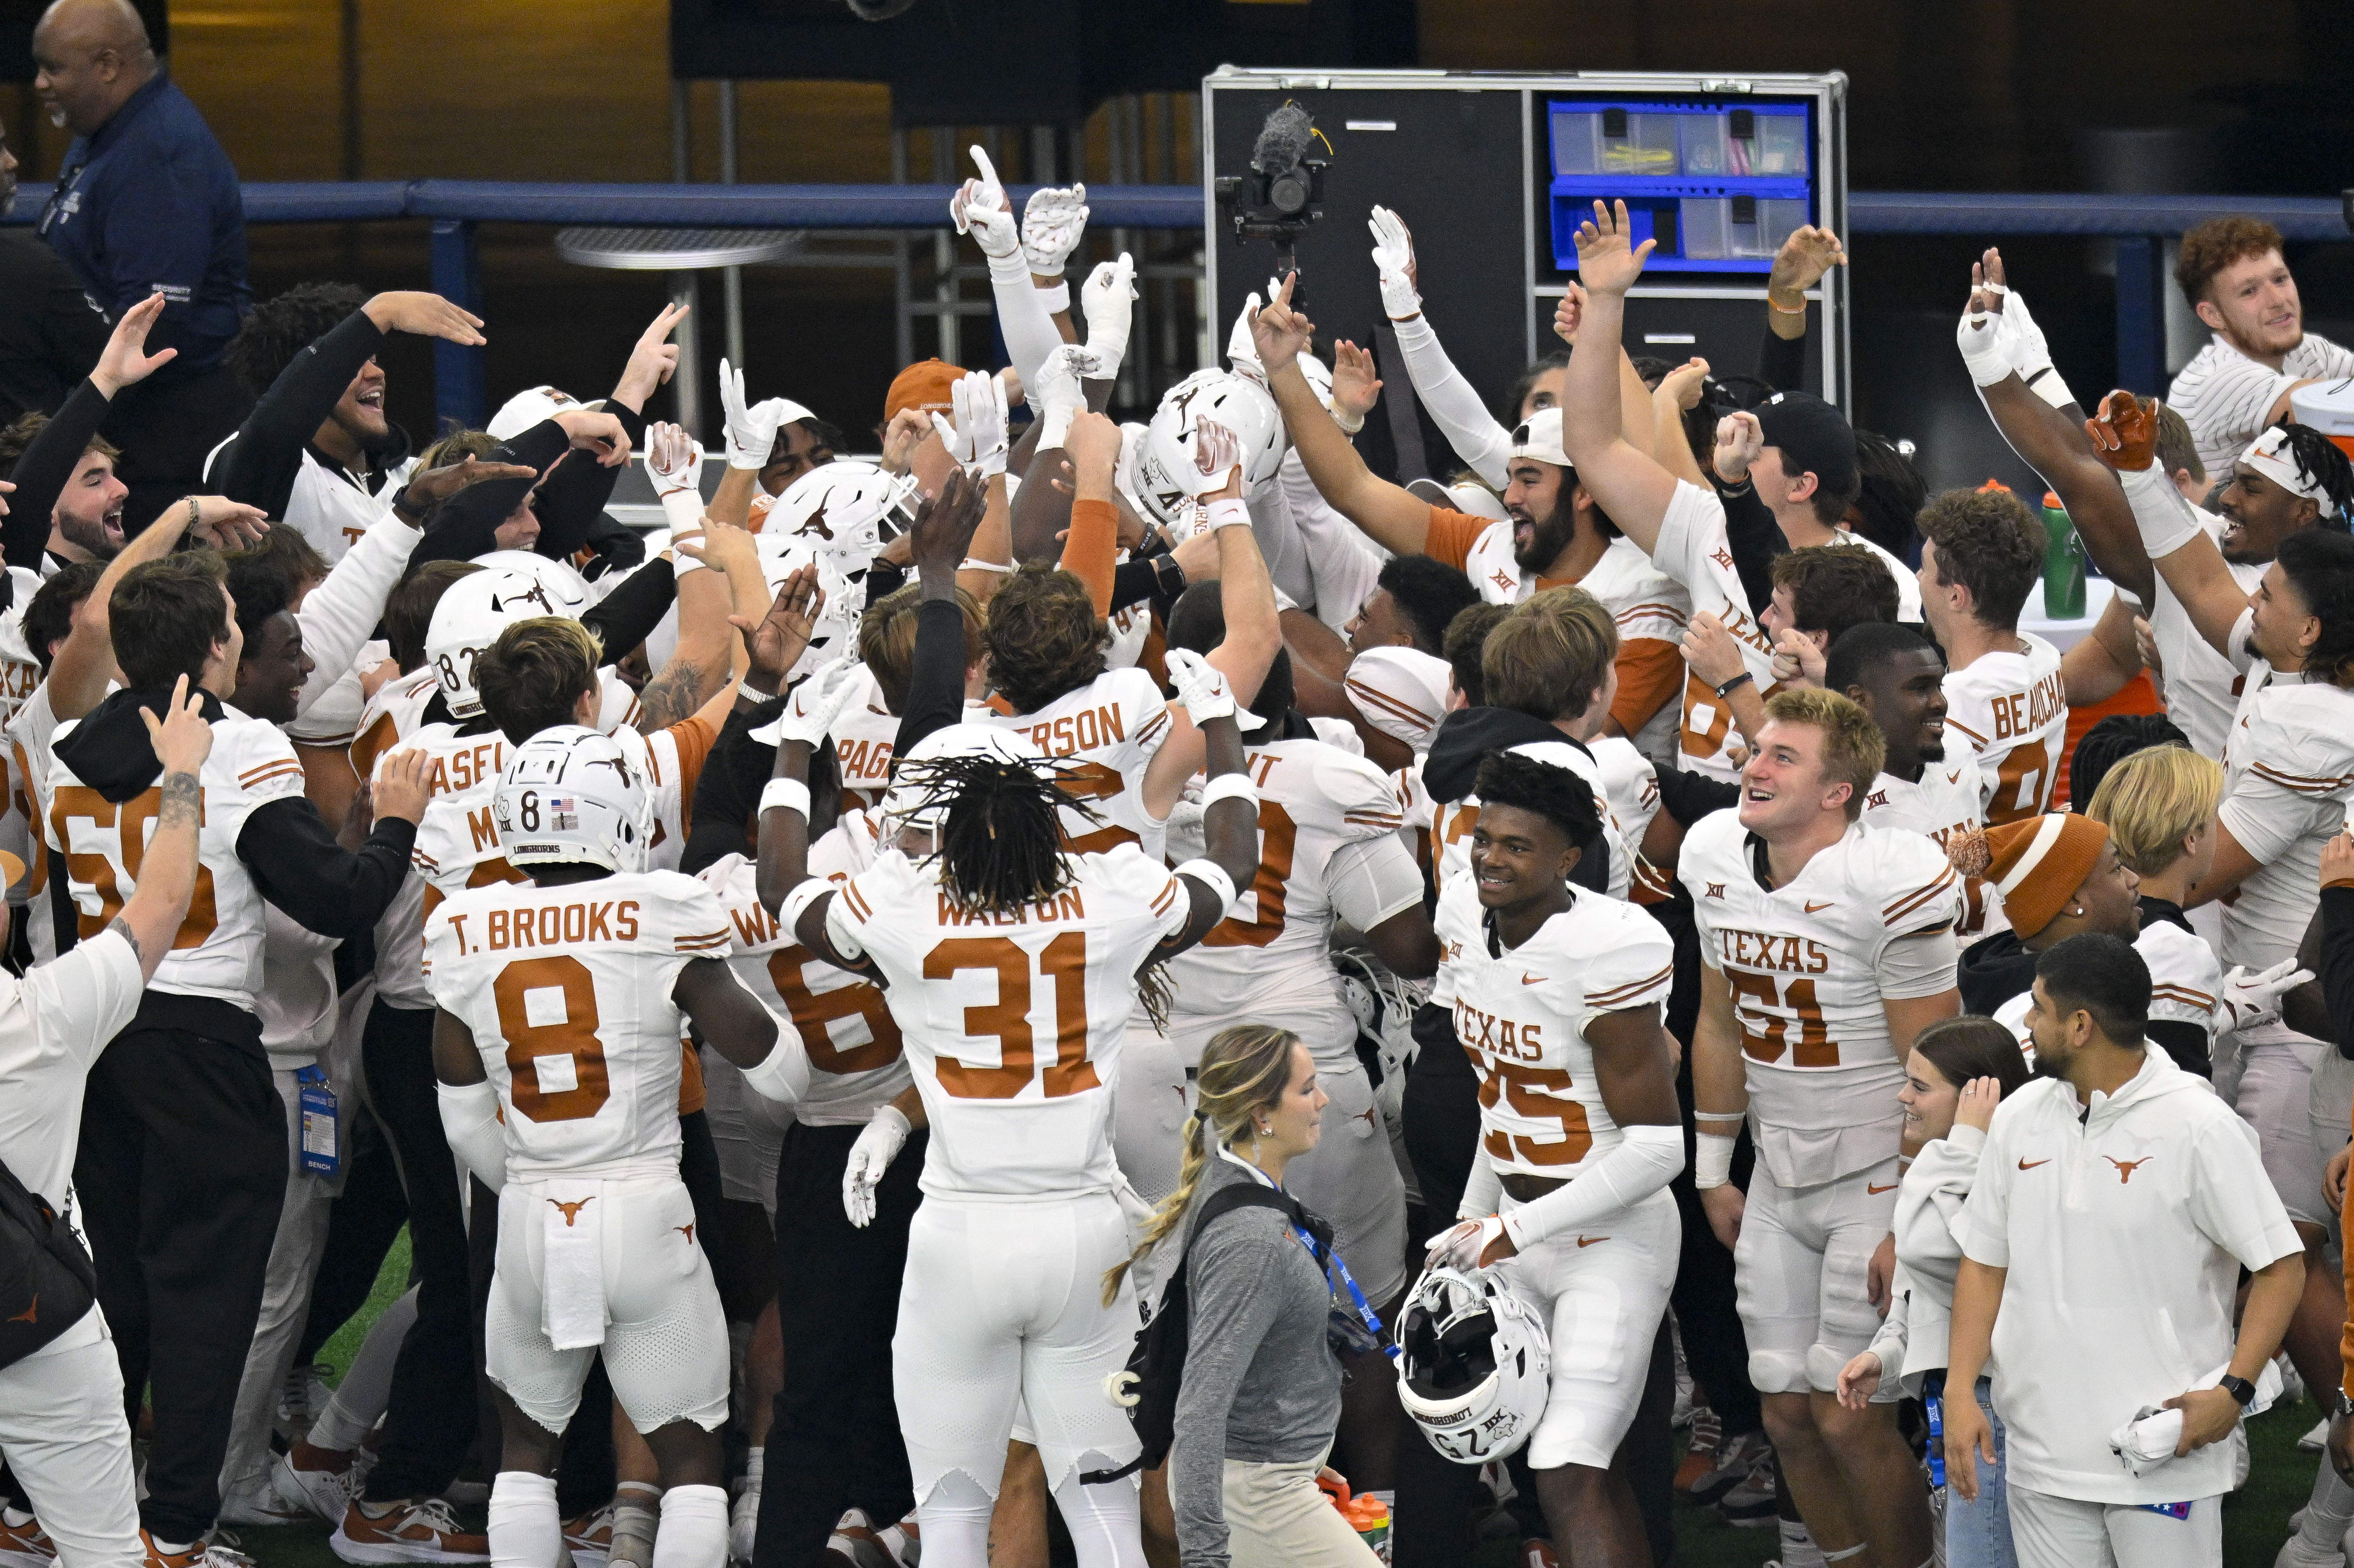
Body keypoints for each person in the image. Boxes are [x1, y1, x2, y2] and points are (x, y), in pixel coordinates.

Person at [755, 642, 1263, 1566]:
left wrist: (793, 747)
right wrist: (1221, 723)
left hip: (961, 1233)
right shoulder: (1107, 897)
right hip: (1081, 1234)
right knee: (1103, 1509)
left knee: (952, 1511)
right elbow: (1232, 857)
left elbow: (782, 885)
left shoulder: (903, 908)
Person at [47, 553, 431, 1557]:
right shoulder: (239, 747)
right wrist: (395, 825)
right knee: (207, 1302)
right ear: (216, 644)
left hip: (95, 1041)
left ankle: (68, 1516)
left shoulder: (66, 743)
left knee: (109, 1294)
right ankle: (175, 1526)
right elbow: (334, 900)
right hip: (210, 1050)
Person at [423, 724, 804, 1568]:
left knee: (525, 1452)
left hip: (528, 1214)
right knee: (692, 1459)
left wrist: (537, 1179)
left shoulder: (462, 925)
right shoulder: (660, 911)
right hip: (643, 1207)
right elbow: (770, 1063)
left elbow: (459, 1113)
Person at [1679, 683, 1960, 1568]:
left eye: (1781, 756)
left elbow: (1938, 1061)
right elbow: (1720, 1019)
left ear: (1838, 792)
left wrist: (1912, 1209)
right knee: (1783, 1411)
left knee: (1850, 1413)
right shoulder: (1713, 854)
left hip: (1874, 1165)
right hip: (1776, 1170)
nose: (1752, 765)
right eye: (1757, 748)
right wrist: (1714, 1165)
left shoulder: (1887, 878)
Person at [1944, 934, 2306, 1568]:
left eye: (2037, 1008)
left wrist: (2234, 1391)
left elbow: (2282, 1266)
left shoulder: (2201, 1126)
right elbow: (1984, 1262)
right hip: (2043, 1459)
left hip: (2165, 1458)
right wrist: (1957, 1392)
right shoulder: (2019, 1116)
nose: (2027, 1023)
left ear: (2080, 1026)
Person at [1421, 750, 1683, 1568]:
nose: (1490, 857)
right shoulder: (1465, 913)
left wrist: (1511, 1226)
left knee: (1568, 1464)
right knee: (1490, 1443)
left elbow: (1659, 1147)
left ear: (1569, 858)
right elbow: (1498, 1101)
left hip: (1611, 1235)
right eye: (1483, 836)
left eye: (1517, 846)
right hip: (1512, 1225)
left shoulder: (1606, 947)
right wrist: (1470, 1221)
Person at [0, 679, 212, 1568]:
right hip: (34, 1322)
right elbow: (160, 905)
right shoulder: (38, 1013)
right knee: (103, 1553)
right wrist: (184, 779)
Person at [1110, 1024, 1375, 1568]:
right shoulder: (1252, 1240)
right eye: (1307, 1089)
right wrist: (1207, 1555)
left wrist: (1302, 1450)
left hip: (1270, 1479)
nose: (1323, 1100)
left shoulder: (1236, 1182)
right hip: (1256, 1497)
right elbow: (1201, 1407)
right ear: (1262, 1114)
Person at [31, 0, 253, 529]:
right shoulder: (106, 134)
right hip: (134, 423)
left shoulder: (158, 150)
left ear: (107, 66)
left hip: (173, 436)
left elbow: (152, 324)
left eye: (53, 68)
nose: (39, 84)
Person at [1835, 1016, 2030, 1568]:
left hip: (2000, 1409)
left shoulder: (2004, 1170)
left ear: (1977, 1095)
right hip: (1968, 1402)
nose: (1903, 1096)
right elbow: (1924, 1296)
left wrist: (1966, 1140)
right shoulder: (1950, 1167)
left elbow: (1930, 1248)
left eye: (1920, 1086)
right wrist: (1887, 1353)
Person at [1913, 487, 2065, 825]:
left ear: (1956, 597)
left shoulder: (1956, 700)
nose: (1919, 579)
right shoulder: (2046, 658)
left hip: (1982, 870)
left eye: (1924, 569)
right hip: (2034, 851)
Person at [2165, 217, 2354, 477]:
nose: (2278, 300)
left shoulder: (2309, 350)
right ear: (2213, 315)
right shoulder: (2218, 380)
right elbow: (2331, 412)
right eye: (2249, 292)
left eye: (2280, 279)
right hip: (2224, 519)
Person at [0, 117, 106, 430]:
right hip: (25, 468)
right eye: (0, 148)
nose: (12, 161)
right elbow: (109, 368)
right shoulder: (29, 269)